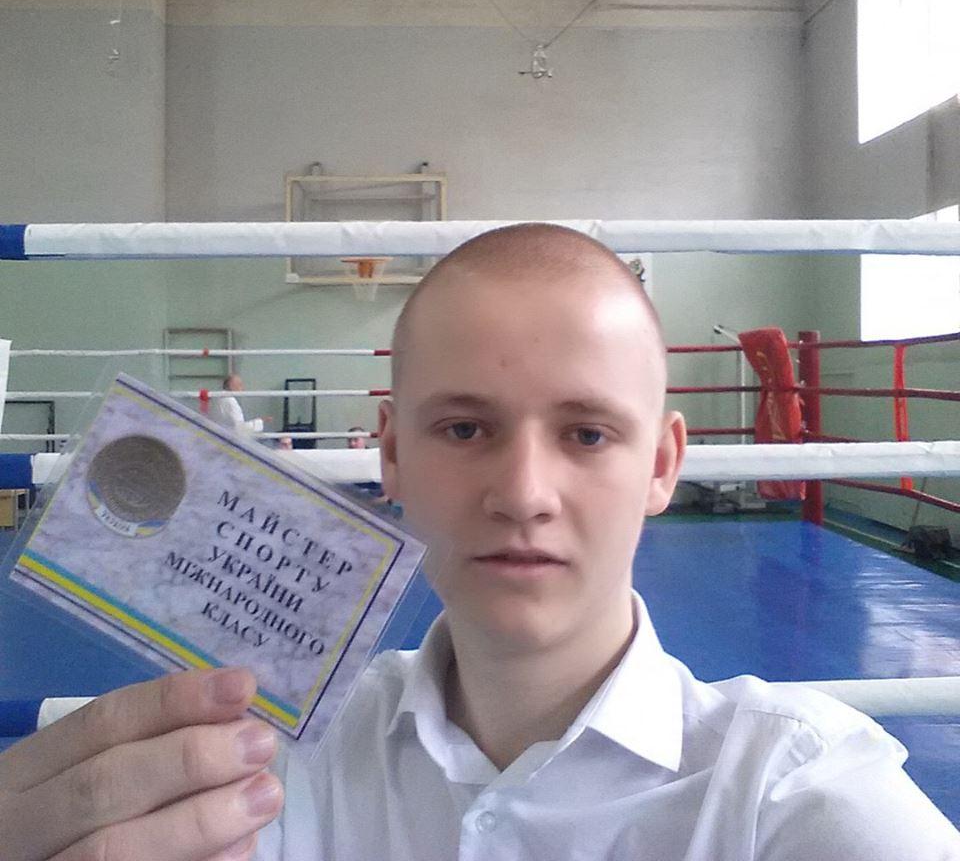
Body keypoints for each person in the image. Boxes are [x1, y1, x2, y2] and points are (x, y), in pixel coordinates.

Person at [1, 225, 957, 861]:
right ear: (391, 455)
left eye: (588, 434)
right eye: (464, 429)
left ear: (663, 465)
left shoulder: (790, 799)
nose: (524, 495)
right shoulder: (268, 766)